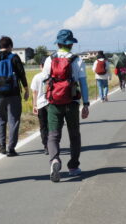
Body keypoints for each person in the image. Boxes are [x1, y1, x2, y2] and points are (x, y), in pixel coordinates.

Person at [42, 29, 90, 182]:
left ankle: (55, 160)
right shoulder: (77, 60)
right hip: (72, 102)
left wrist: (46, 100)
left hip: (53, 103)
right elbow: (83, 83)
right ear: (71, 44)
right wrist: (86, 104)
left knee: (53, 135)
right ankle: (73, 166)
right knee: (74, 135)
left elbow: (45, 81)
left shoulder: (50, 59)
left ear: (58, 43)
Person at [0, 36, 29, 156]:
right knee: (13, 121)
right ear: (10, 46)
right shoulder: (14, 58)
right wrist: (26, 89)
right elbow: (22, 74)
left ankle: (1, 146)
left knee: (1, 120)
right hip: (14, 94)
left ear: (0, 46)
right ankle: (11, 148)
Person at [31, 56, 49, 155]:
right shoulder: (52, 75)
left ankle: (46, 146)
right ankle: (52, 145)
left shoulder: (37, 77)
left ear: (41, 66)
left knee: (43, 126)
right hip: (52, 104)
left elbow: (34, 92)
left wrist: (34, 105)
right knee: (52, 126)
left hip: (41, 104)